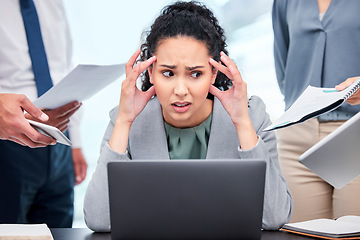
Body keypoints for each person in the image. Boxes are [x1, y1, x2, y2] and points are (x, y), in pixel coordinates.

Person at [84, 1, 292, 232]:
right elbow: (99, 220)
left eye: (195, 74)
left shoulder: (252, 117)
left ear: (214, 73)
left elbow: (275, 217)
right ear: (150, 72)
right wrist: (123, 122)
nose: (181, 89)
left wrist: (242, 124)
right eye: (168, 73)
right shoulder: (125, 121)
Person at [0, 0, 87, 227]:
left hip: (57, 140)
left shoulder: (52, 3)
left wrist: (75, 142)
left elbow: (62, 67)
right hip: (7, 140)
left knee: (58, 230)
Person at [272, 0, 360, 222]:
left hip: (354, 135)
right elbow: (283, 65)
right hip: (296, 140)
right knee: (301, 233)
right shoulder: (285, 2)